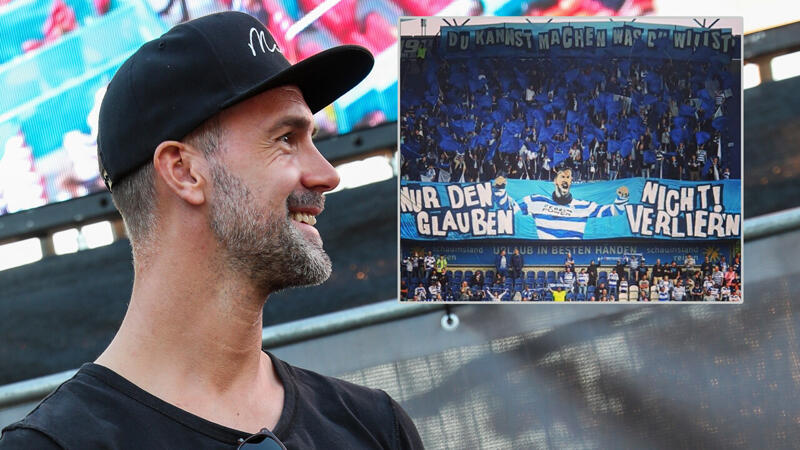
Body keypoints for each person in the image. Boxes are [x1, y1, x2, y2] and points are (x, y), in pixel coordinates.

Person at [0, 13, 422, 449]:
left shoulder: (373, 426)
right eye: (284, 139)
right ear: (183, 171)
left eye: (311, 138)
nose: (326, 174)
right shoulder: (55, 446)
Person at [516, 167, 629, 239]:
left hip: (572, 251)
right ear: (555, 181)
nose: (565, 179)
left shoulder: (584, 206)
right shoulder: (536, 200)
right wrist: (500, 189)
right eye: (562, 177)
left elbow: (614, 211)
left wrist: (622, 198)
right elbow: (510, 209)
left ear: (571, 182)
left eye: (568, 177)